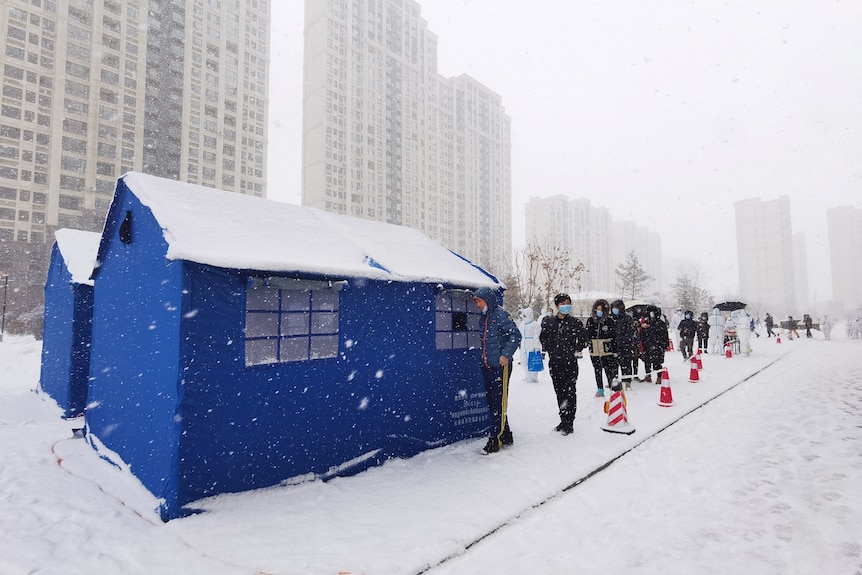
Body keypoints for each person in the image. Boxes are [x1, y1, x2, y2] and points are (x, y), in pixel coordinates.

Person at [472, 287, 522, 454]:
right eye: (476, 302)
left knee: (499, 402)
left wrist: (505, 355)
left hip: (501, 367)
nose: (477, 304)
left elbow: (515, 335)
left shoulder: (501, 315)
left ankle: (496, 438)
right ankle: (506, 434)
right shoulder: (483, 318)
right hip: (487, 366)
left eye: (479, 301)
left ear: (487, 299)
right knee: (494, 402)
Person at [539, 293, 587, 435]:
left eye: (568, 303)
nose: (566, 306)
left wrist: (575, 349)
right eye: (562, 303)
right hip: (555, 363)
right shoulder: (549, 322)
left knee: (570, 392)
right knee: (559, 392)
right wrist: (548, 348)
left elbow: (584, 339)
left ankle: (569, 423)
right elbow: (543, 338)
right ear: (557, 306)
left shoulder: (575, 323)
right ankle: (563, 419)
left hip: (570, 363)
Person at [586, 299, 617, 397]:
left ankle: (612, 389)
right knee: (597, 370)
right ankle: (600, 389)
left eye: (601, 309)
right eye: (597, 309)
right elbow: (587, 335)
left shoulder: (609, 321)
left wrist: (615, 350)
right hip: (594, 350)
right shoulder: (590, 321)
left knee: (609, 371)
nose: (598, 311)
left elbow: (614, 336)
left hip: (607, 351)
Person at [611, 299, 639, 390]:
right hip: (613, 346)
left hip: (625, 345)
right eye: (613, 307)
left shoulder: (627, 318)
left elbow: (631, 332)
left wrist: (623, 339)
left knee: (626, 364)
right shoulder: (610, 319)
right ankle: (614, 382)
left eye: (617, 307)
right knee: (613, 365)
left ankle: (627, 381)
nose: (615, 309)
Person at [640, 305, 669, 383]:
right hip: (647, 345)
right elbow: (642, 334)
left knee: (657, 362)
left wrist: (665, 345)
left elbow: (664, 334)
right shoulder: (646, 322)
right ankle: (648, 376)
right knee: (647, 362)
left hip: (658, 345)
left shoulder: (660, 323)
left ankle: (659, 377)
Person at [518, 308, 542, 383]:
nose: (524, 317)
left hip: (531, 343)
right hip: (524, 342)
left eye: (525, 315)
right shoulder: (522, 324)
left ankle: (533, 377)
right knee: (524, 360)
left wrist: (536, 345)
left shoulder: (535, 324)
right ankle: (527, 376)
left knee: (532, 360)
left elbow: (536, 336)